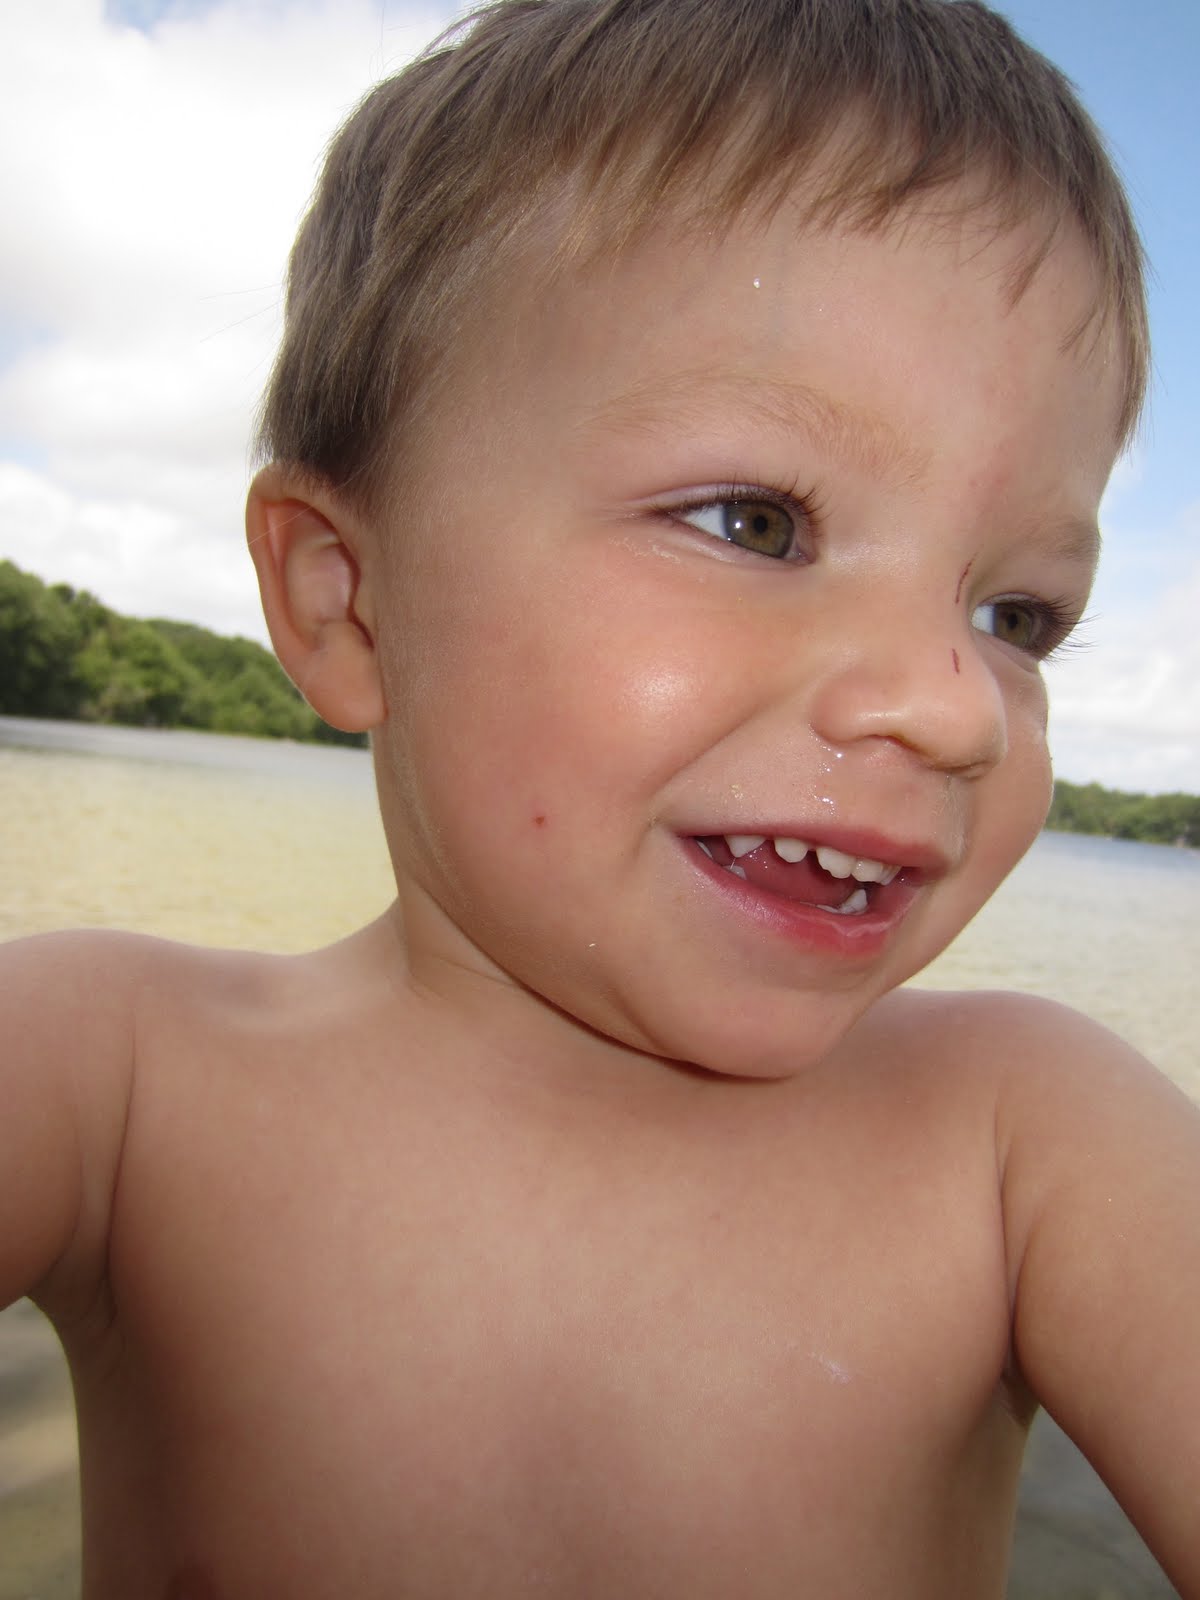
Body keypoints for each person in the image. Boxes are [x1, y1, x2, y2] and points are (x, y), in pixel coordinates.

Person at [2, 0, 1198, 1594]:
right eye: (756, 522)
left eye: (1019, 616)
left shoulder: (1033, 1143)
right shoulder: (107, 1083)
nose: (954, 704)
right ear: (351, 602)